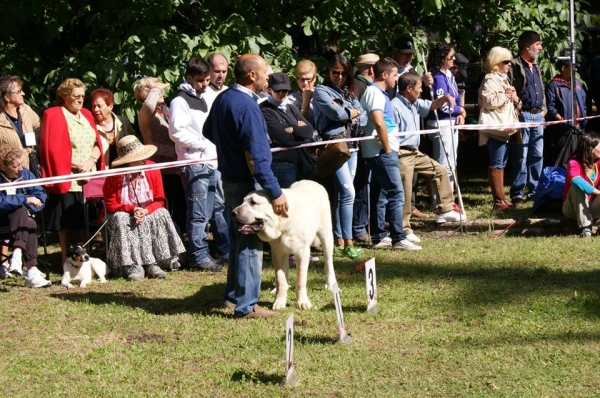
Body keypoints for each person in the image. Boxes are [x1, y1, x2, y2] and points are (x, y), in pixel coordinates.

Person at [204, 53, 287, 319]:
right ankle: (247, 306)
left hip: (228, 179)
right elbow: (260, 158)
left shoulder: (224, 98)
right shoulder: (248, 106)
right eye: (265, 71)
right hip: (246, 183)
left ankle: (232, 296)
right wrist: (275, 192)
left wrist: (229, 147)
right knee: (251, 243)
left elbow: (208, 131)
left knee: (239, 240)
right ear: (252, 75)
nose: (268, 76)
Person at [168, 57, 228, 271]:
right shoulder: (179, 101)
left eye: (207, 79)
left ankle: (214, 251)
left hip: (211, 161)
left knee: (214, 209)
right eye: (201, 80)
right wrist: (202, 144)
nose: (205, 84)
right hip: (194, 162)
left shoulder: (204, 97)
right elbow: (176, 131)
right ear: (189, 78)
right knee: (198, 211)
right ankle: (198, 257)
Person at [392, 71, 465, 244]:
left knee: (439, 170)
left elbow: (431, 105)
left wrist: (445, 98)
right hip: (402, 153)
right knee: (406, 190)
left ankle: (445, 209)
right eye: (419, 88)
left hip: (415, 151)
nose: (421, 90)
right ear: (409, 88)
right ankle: (404, 229)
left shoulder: (413, 102)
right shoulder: (394, 106)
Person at [39, 78, 105, 265]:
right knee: (66, 221)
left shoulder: (86, 114)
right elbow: (51, 149)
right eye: (76, 96)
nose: (80, 100)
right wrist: (76, 165)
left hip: (89, 174)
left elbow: (97, 142)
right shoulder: (54, 114)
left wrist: (91, 160)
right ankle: (65, 260)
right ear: (64, 96)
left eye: (83, 96)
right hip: (69, 175)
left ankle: (87, 258)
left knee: (85, 219)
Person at [360, 57, 421, 251]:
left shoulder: (379, 93)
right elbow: (379, 122)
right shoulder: (375, 93)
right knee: (396, 192)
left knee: (380, 194)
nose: (397, 79)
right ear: (384, 74)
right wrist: (387, 147)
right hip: (380, 151)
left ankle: (379, 236)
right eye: (395, 74)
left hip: (381, 150)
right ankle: (398, 237)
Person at [103, 136, 185, 280]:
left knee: (161, 213)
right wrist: (131, 209)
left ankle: (153, 262)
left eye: (142, 157)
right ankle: (131, 265)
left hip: (147, 211)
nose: (142, 161)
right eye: (137, 158)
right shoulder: (114, 175)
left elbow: (160, 199)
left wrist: (146, 210)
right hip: (124, 212)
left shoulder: (152, 168)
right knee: (121, 218)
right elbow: (110, 204)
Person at [313, 54, 367, 259]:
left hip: (352, 145)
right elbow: (337, 114)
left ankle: (338, 239)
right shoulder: (321, 91)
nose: (339, 76)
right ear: (328, 71)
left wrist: (350, 113)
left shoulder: (348, 91)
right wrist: (351, 113)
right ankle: (348, 240)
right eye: (335, 72)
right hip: (334, 147)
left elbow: (362, 115)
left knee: (342, 194)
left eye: (344, 73)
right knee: (348, 192)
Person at [134, 76, 187, 234]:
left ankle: (181, 245)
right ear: (146, 94)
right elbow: (153, 146)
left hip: (175, 167)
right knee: (168, 211)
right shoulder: (145, 113)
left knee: (180, 210)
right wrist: (176, 150)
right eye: (157, 90)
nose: (162, 91)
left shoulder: (166, 110)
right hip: (160, 169)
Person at [478, 46, 522, 212]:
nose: (509, 64)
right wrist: (506, 96)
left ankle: (501, 199)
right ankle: (499, 201)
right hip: (496, 128)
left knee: (501, 162)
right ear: (497, 62)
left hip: (505, 128)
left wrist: (515, 98)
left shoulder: (503, 79)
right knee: (496, 162)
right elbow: (489, 101)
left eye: (510, 61)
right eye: (506, 62)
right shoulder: (491, 79)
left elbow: (512, 102)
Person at [0, 147, 51, 287]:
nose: (20, 169)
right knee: (21, 208)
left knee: (29, 221)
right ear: (3, 167)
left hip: (21, 221)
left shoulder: (26, 174)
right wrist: (24, 199)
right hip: (2, 221)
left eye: (21, 164)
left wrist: (33, 205)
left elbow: (40, 194)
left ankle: (19, 255)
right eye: (16, 166)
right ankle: (30, 270)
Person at [509, 31, 546, 206]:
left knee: (537, 154)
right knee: (521, 154)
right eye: (538, 44)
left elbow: (541, 89)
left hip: (538, 114)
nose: (540, 48)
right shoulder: (514, 65)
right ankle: (517, 193)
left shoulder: (536, 66)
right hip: (523, 115)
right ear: (527, 46)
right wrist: (518, 109)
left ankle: (535, 189)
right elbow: (509, 89)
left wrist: (544, 109)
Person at [259, 72, 315, 187]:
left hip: (300, 161)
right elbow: (283, 139)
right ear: (270, 90)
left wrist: (293, 129)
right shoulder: (265, 110)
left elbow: (309, 130)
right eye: (277, 90)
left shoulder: (291, 107)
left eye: (284, 91)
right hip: (281, 164)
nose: (281, 94)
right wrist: (301, 134)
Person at [426, 43, 467, 194]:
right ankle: (440, 201)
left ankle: (448, 198)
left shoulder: (449, 75)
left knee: (452, 164)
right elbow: (444, 106)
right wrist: (460, 110)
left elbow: (455, 100)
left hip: (451, 123)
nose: (453, 58)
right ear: (442, 58)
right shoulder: (437, 78)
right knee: (443, 164)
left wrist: (460, 114)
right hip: (441, 123)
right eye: (450, 56)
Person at [352, 53, 379, 245]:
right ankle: (359, 228)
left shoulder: (364, 85)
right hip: (361, 144)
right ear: (371, 70)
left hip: (366, 143)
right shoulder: (360, 86)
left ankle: (363, 225)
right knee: (361, 185)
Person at [545, 55, 587, 168]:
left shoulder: (577, 83)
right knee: (565, 159)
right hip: (564, 130)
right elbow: (551, 106)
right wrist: (560, 118)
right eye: (573, 67)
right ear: (563, 68)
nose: (576, 69)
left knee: (579, 157)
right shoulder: (554, 84)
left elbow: (583, 101)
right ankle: (563, 181)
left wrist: (584, 116)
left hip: (579, 128)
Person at [562, 132, 600, 238]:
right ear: (591, 149)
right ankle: (586, 227)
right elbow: (576, 180)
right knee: (576, 187)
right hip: (572, 208)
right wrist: (597, 192)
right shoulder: (574, 163)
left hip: (593, 207)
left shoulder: (598, 163)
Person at [0, 75, 41, 172]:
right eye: (18, 92)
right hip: (9, 174)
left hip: (33, 169)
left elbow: (39, 128)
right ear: (7, 97)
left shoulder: (26, 110)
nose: (23, 93)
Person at [90, 88, 135, 168]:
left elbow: (134, 144)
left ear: (110, 106)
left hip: (124, 171)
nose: (96, 109)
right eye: (94, 106)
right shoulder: (90, 126)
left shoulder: (123, 122)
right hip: (103, 174)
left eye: (99, 106)